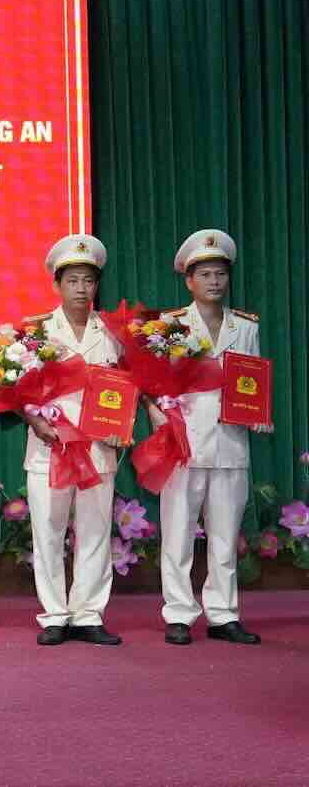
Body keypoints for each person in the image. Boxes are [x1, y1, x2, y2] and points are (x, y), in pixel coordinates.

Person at [154, 229, 263, 646]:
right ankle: (179, 613)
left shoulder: (245, 326)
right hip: (184, 442)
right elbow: (155, 383)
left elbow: (252, 381)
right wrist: (160, 416)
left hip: (232, 442)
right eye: (206, 274)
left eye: (220, 274)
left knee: (224, 535)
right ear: (189, 280)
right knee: (178, 532)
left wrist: (259, 415)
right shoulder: (170, 327)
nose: (215, 281)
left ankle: (223, 614)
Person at [23, 234, 123, 646]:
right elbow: (19, 388)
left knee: (96, 530)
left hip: (99, 448)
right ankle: (54, 616)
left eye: (88, 280)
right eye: (73, 281)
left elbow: (127, 388)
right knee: (48, 530)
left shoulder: (115, 333)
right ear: (57, 284)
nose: (82, 289)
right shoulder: (37, 331)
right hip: (51, 446)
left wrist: (123, 424)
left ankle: (88, 614)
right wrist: (32, 418)